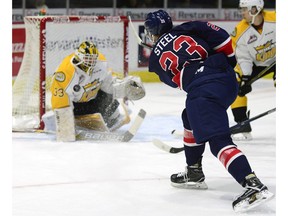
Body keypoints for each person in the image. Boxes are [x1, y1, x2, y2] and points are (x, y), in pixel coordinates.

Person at [143, 9, 273, 212]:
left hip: (203, 89)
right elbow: (222, 38)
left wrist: (160, 50)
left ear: (151, 33)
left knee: (218, 141)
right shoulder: (188, 28)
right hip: (226, 77)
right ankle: (193, 171)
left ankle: (252, 184)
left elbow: (177, 81)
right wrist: (228, 63)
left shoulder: (154, 61)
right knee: (189, 117)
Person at [44, 41, 145, 142]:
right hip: (74, 108)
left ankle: (111, 120)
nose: (91, 62)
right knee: (64, 117)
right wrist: (66, 130)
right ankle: (74, 122)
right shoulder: (65, 72)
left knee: (108, 96)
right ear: (79, 57)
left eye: (93, 58)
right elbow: (61, 102)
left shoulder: (101, 62)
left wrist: (125, 88)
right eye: (87, 58)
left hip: (91, 101)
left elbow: (109, 85)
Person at [230, 0, 276, 140]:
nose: (242, 12)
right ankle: (242, 124)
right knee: (235, 85)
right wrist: (245, 78)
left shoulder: (276, 19)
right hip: (256, 64)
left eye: (245, 9)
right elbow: (243, 58)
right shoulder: (240, 31)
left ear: (255, 9)